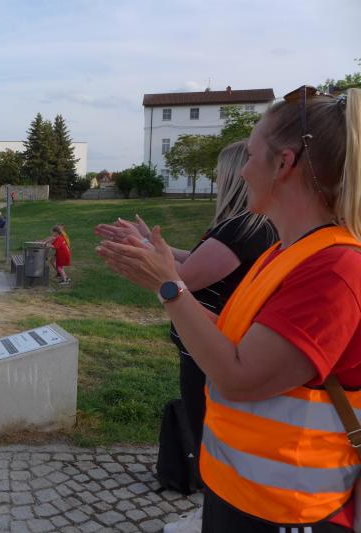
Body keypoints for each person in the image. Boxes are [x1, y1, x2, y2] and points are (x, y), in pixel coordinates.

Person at [97, 88, 361, 532]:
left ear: (284, 165)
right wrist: (165, 278)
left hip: (289, 510)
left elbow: (239, 377)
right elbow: (235, 338)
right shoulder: (285, 253)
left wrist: (168, 286)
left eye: (251, 156)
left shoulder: (335, 269)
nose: (241, 172)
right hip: (240, 496)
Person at [95, 141, 277, 468]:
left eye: (219, 172)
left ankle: (207, 492)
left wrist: (145, 256)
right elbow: (194, 260)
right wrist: (149, 243)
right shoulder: (244, 225)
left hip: (209, 344)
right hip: (210, 341)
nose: (216, 178)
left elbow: (184, 278)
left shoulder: (242, 228)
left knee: (206, 434)